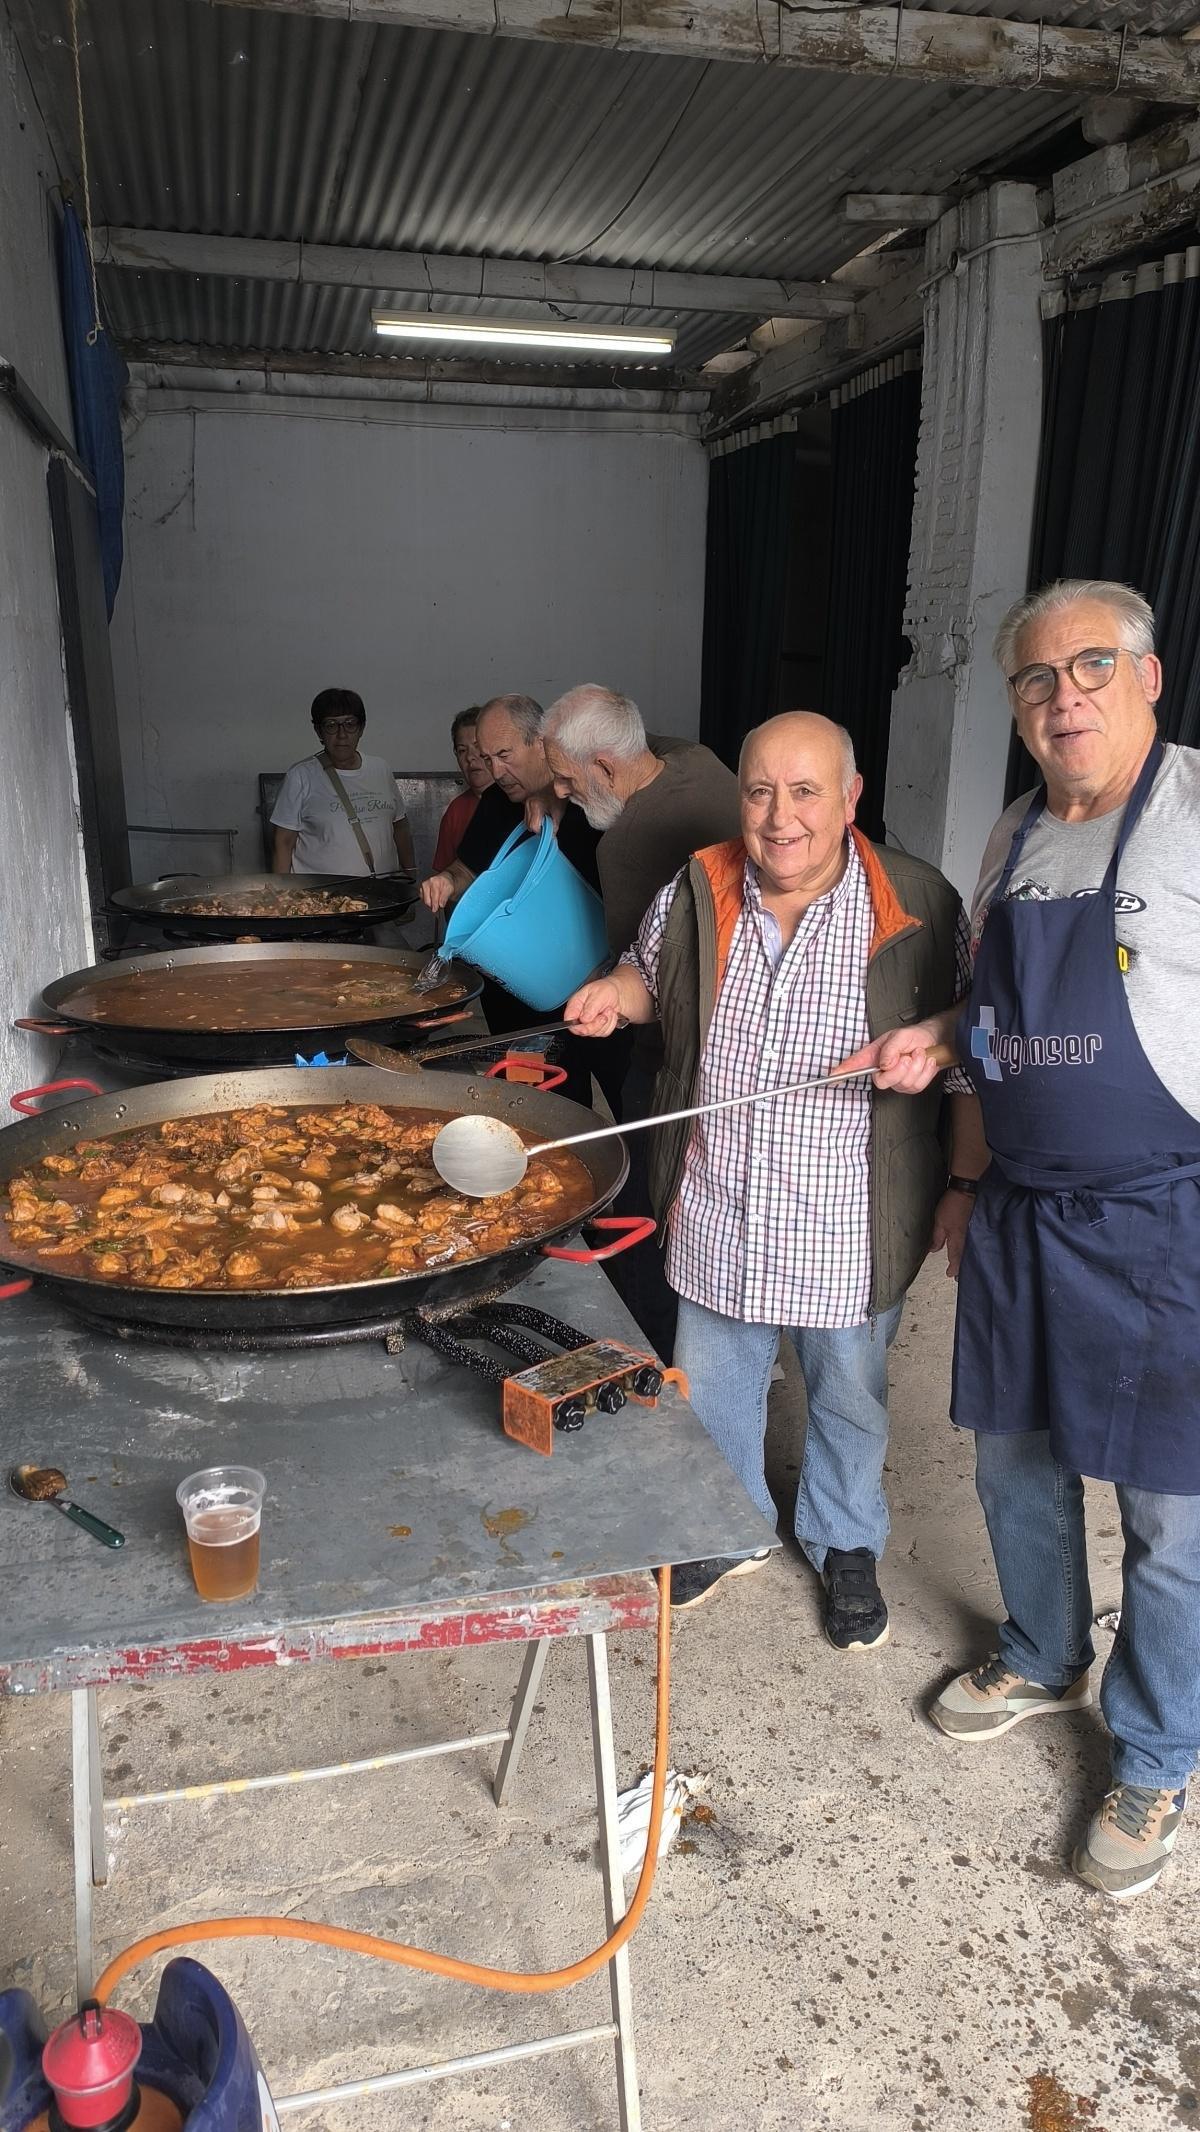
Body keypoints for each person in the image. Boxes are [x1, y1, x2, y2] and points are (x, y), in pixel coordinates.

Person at [868, 579, 1200, 1903]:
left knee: (1172, 1517)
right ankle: (1049, 1647)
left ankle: (1162, 1749)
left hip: (1165, 1216)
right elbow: (991, 1010)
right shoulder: (1011, 830)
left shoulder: (1192, 812)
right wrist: (939, 1042)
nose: (1064, 695)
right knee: (1011, 1461)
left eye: (1092, 666)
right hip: (1017, 1210)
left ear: (1149, 676)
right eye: (1035, 679)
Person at [566, 712, 976, 1627]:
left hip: (850, 1211)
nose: (779, 817)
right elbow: (646, 978)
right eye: (760, 791)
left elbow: (973, 1021)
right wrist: (615, 1000)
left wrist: (938, 1051)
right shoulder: (699, 884)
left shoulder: (914, 898)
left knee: (848, 1394)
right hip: (718, 1196)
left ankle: (846, 1539)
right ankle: (729, 1523)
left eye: (804, 792)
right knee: (712, 1379)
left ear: (850, 799)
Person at [542, 685, 740, 1359]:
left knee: (650, 1212)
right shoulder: (697, 761)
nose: (564, 795)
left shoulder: (628, 844)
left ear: (606, 764)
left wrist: (604, 991)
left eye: (568, 781)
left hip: (677, 1059)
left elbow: (643, 978)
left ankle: (665, 1353)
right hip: (731, 1047)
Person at [419, 695, 618, 1107]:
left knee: (626, 1094)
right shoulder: (496, 802)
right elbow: (466, 868)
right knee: (540, 1107)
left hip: (601, 986)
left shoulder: (590, 795)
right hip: (519, 1001)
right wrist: (445, 880)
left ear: (541, 742)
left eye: (504, 755)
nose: (494, 770)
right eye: (486, 757)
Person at [271, 689, 414, 876]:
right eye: (331, 725)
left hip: (385, 894)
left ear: (361, 728)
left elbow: (400, 826)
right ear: (318, 731)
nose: (342, 734)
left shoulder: (381, 769)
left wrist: (411, 873)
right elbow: (283, 842)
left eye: (350, 724)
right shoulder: (300, 776)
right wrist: (282, 895)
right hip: (323, 898)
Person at [431, 708, 492, 873]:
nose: (470, 757)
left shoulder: (520, 801)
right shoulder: (455, 811)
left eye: (477, 747)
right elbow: (445, 873)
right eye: (462, 751)